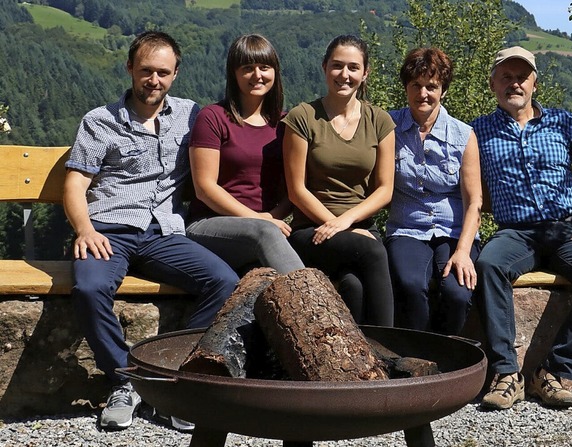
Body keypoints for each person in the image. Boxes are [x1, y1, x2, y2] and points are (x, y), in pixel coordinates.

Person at [63, 31, 239, 430]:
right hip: (108, 228)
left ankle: (173, 379)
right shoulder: (99, 121)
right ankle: (127, 381)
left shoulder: (191, 115)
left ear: (175, 73)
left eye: (163, 72)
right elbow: (75, 184)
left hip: (164, 232)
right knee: (89, 289)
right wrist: (84, 229)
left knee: (225, 282)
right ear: (130, 69)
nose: (153, 80)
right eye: (145, 71)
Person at [471, 46, 572, 410]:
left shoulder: (563, 122)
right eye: (505, 77)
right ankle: (507, 374)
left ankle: (553, 372)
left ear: (534, 84)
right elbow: (469, 188)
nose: (514, 83)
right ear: (493, 84)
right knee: (489, 265)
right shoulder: (476, 131)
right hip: (515, 233)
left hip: (567, 230)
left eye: (522, 77)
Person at [282, 34, 395, 326]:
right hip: (312, 230)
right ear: (324, 68)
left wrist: (348, 223)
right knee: (372, 250)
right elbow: (296, 190)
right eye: (337, 66)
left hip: (359, 229)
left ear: (365, 73)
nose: (344, 75)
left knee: (353, 287)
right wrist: (334, 225)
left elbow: (384, 190)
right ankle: (390, 344)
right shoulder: (303, 117)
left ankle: (360, 361)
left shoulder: (379, 120)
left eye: (353, 68)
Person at [186, 34, 304, 275]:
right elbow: (204, 188)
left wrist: (271, 216)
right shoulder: (213, 118)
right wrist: (258, 220)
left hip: (266, 228)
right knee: (265, 234)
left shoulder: (285, 123)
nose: (257, 75)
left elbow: (291, 190)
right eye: (248, 68)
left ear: (275, 72)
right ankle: (313, 306)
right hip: (209, 224)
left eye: (264, 67)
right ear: (234, 73)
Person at [385, 47, 482, 335]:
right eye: (416, 85)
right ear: (406, 87)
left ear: (443, 90)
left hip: (454, 232)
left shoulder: (463, 135)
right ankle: (417, 357)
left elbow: (474, 199)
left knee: (458, 291)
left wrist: (463, 251)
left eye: (432, 86)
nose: (423, 93)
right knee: (410, 285)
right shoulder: (388, 127)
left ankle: (447, 357)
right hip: (407, 228)